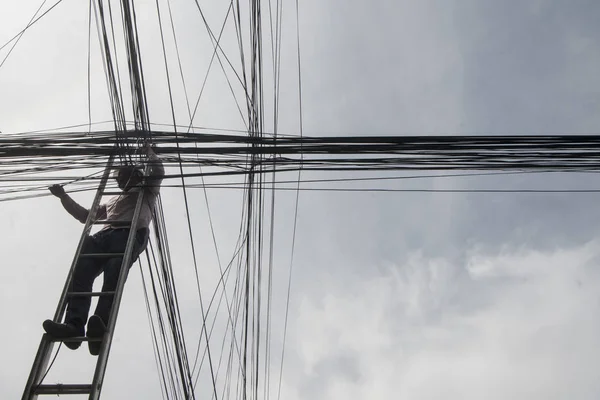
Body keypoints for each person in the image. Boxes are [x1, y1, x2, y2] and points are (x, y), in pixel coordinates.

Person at [42, 144, 164, 355]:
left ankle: (99, 328)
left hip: (129, 232)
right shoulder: (112, 200)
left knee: (113, 275)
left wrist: (148, 152)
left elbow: (158, 171)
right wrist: (63, 197)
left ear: (136, 176)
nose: (120, 182)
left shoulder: (148, 189)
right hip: (103, 236)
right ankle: (73, 325)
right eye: (118, 179)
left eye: (124, 177)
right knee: (81, 274)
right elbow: (85, 216)